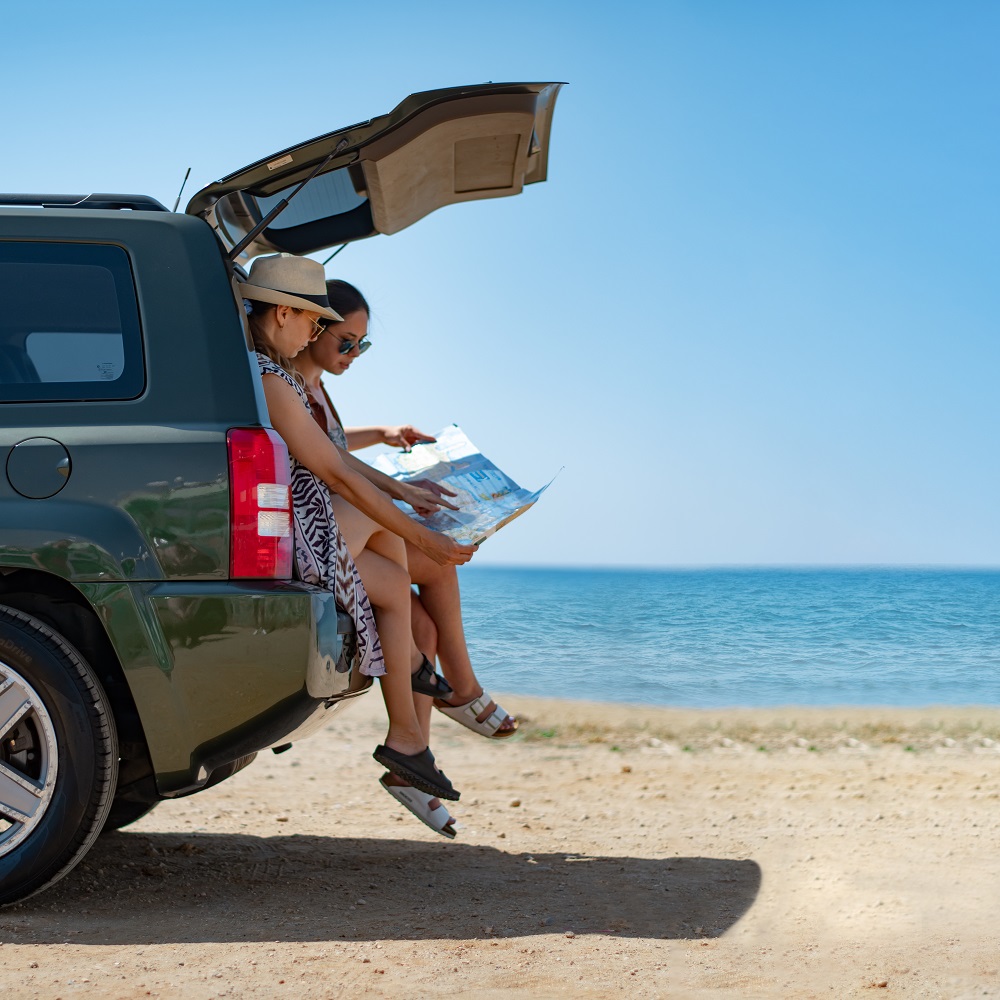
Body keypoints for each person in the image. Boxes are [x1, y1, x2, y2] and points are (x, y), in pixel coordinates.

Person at [239, 254, 475, 833]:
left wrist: (403, 494)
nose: (314, 333)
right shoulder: (267, 377)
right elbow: (335, 472)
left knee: (393, 581)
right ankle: (415, 685)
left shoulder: (273, 373)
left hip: (305, 522)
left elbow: (338, 460)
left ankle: (407, 738)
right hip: (294, 532)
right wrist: (423, 536)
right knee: (394, 537)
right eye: (313, 321)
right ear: (284, 313)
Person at [293, 279, 518, 751]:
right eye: (347, 342)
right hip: (324, 532)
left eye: (362, 345)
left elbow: (333, 444)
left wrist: (382, 432)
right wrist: (402, 494)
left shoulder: (317, 386)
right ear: (314, 327)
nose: (354, 354)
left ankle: (415, 751)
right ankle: (462, 689)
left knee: (424, 627)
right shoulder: (286, 384)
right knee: (433, 561)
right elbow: (331, 463)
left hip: (344, 526)